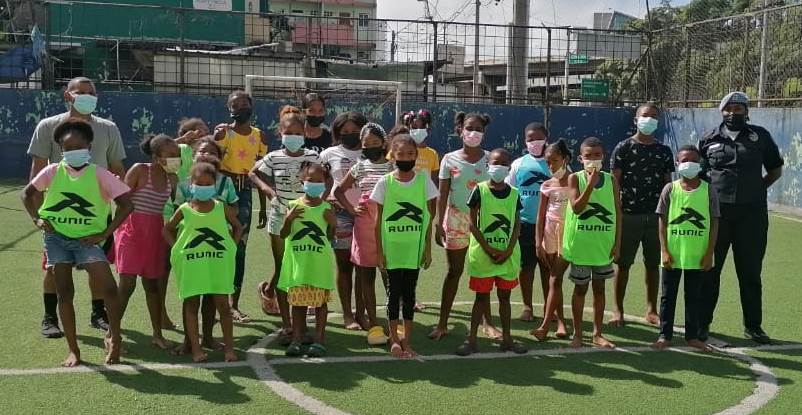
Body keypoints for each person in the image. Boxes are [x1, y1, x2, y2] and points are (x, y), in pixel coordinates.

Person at [21, 118, 133, 366]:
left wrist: (105, 234)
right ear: (60, 150)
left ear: (89, 147)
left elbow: (127, 205)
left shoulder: (100, 174)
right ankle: (74, 350)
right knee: (65, 293)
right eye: (67, 148)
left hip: (88, 240)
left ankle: (114, 338)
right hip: (56, 239)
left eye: (78, 147)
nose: (73, 151)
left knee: (109, 288)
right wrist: (37, 219)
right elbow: (27, 194)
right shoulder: (52, 171)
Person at [27, 76, 126, 338]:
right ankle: (50, 317)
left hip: (96, 215)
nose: (87, 97)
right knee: (54, 268)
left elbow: (118, 169)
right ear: (67, 95)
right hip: (58, 217)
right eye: (80, 92)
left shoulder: (108, 128)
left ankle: (98, 313)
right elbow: (36, 173)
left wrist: (118, 199)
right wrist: (40, 216)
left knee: (97, 265)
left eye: (91, 92)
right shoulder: (48, 126)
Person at [699, 91, 783, 344]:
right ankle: (702, 324)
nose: (733, 113)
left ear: (747, 112)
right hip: (718, 216)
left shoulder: (760, 136)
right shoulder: (708, 139)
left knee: (750, 273)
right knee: (710, 271)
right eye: (729, 108)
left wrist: (756, 189)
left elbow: (775, 170)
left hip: (752, 216)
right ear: (721, 111)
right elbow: (700, 174)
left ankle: (753, 326)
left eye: (739, 109)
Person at [250, 107, 322, 345]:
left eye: (298, 132)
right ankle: (287, 324)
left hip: (305, 221)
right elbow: (253, 173)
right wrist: (268, 190)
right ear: (280, 132)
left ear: (304, 133)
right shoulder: (273, 157)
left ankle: (301, 323)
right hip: (280, 218)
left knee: (302, 269)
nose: (293, 136)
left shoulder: (313, 157)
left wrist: (321, 201)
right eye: (288, 132)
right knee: (283, 269)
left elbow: (326, 177)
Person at [430, 112, 500, 341]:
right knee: (454, 271)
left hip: (484, 222)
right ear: (460, 129)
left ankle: (488, 323)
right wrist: (439, 223)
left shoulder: (491, 159)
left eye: (479, 129)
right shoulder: (449, 159)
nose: (473, 133)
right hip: (455, 221)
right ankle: (442, 323)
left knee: (484, 273)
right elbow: (442, 194)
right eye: (469, 128)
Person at [164, 162, 243, 363]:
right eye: (199, 184)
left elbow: (238, 227)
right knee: (191, 305)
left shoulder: (221, 208)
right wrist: (177, 249)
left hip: (218, 265)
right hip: (192, 265)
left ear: (214, 185)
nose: (204, 187)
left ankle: (229, 349)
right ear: (191, 184)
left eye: (208, 184)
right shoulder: (184, 209)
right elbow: (167, 229)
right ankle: (196, 350)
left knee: (223, 306)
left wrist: (231, 247)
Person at [456, 148, 527, 356]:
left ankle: (507, 339)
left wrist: (509, 249)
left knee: (505, 298)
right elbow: (472, 223)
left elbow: (517, 225)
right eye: (496, 162)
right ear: (488, 166)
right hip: (483, 255)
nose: (500, 166)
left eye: (504, 163)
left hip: (507, 255)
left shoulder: (514, 193)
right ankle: (471, 340)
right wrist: (488, 248)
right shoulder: (479, 190)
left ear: (509, 168)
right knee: (481, 298)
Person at [372, 135, 437, 358]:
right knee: (393, 293)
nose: (406, 158)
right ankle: (394, 339)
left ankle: (407, 341)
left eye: (410, 154)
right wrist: (379, 251)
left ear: (416, 156)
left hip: (413, 250)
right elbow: (378, 221)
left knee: (409, 294)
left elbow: (428, 217)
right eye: (400, 154)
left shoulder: (424, 181)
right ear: (392, 156)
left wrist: (427, 248)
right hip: (392, 250)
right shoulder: (385, 182)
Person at [610, 103, 674, 327]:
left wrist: (667, 214)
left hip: (656, 217)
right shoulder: (623, 147)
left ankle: (651, 310)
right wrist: (617, 211)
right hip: (628, 215)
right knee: (623, 264)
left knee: (653, 265)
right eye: (645, 115)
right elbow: (614, 182)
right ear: (636, 120)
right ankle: (618, 310)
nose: (649, 119)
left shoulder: (664, 151)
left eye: (654, 116)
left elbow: (668, 185)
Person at [115, 134, 179, 350]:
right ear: (156, 156)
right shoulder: (139, 170)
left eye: (178, 155)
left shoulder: (173, 180)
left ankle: (157, 335)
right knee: (127, 284)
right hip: (131, 232)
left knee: (152, 286)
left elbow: (178, 207)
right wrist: (111, 231)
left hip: (154, 234)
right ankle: (112, 334)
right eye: (171, 154)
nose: (176, 159)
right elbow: (122, 200)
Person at [653, 145, 719, 352]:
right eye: (684, 160)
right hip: (673, 254)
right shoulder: (670, 189)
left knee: (694, 297)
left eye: (693, 160)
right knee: (667, 296)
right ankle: (664, 335)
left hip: (698, 255)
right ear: (677, 163)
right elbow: (662, 221)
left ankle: (693, 336)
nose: (688, 163)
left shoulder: (709, 190)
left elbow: (714, 222)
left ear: (700, 164)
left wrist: (709, 253)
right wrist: (664, 250)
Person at [335, 122, 394, 345]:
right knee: (366, 276)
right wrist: (351, 209)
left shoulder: (392, 167)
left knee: (390, 275)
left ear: (383, 143)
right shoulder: (359, 167)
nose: (370, 147)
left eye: (375, 143)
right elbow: (339, 191)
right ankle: (374, 324)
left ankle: (393, 321)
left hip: (388, 226)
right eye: (366, 144)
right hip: (364, 227)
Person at [214, 90, 268, 323]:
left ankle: (232, 305)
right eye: (235, 105)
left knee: (239, 248)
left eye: (244, 104)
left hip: (245, 193)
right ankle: (214, 304)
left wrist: (263, 207)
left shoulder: (259, 136)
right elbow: (210, 161)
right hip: (221, 191)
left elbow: (261, 173)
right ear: (229, 109)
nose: (240, 108)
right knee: (217, 245)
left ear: (251, 106)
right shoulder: (223, 133)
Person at [563, 137, 621, 349]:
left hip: (603, 246)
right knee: (580, 289)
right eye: (588, 156)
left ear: (603, 157)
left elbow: (618, 212)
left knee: (600, 289)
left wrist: (617, 243)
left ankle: (597, 334)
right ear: (580, 158)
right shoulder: (574, 178)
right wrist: (590, 184)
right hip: (581, 246)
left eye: (597, 155)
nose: (593, 159)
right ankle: (578, 334)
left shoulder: (611, 180)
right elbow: (577, 208)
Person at [279, 162, 337, 357]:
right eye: (311, 180)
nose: (315, 184)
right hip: (299, 265)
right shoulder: (293, 206)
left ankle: (319, 340)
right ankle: (296, 339)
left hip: (318, 266)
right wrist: (288, 219)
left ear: (325, 183)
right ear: (302, 180)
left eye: (319, 181)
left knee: (320, 304)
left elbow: (329, 238)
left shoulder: (327, 208)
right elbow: (283, 234)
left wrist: (333, 224)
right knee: (298, 304)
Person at [320, 111, 369, 330]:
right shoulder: (329, 154)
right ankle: (348, 314)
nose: (350, 134)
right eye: (345, 131)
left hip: (367, 214)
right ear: (337, 133)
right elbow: (319, 181)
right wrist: (327, 200)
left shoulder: (372, 153)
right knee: (344, 265)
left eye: (355, 131)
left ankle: (362, 314)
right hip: (340, 214)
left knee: (363, 267)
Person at [506, 122, 553, 322]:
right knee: (526, 267)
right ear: (525, 141)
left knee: (547, 268)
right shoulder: (518, 164)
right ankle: (527, 306)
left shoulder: (554, 163)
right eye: (530, 139)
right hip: (525, 224)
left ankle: (549, 307)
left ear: (546, 138)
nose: (535, 142)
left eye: (538, 138)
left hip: (549, 225)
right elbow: (509, 191)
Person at [530, 140, 573, 341]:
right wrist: (538, 242)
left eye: (554, 160)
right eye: (547, 162)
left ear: (565, 159)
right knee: (555, 279)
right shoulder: (547, 185)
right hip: (550, 233)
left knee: (555, 278)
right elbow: (540, 216)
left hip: (569, 234)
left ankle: (545, 326)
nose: (551, 165)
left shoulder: (576, 181)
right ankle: (561, 322)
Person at [400, 109, 440, 184]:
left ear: (427, 130)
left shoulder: (433, 154)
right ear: (408, 128)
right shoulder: (399, 151)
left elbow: (433, 183)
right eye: (414, 127)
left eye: (422, 127)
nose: (418, 130)